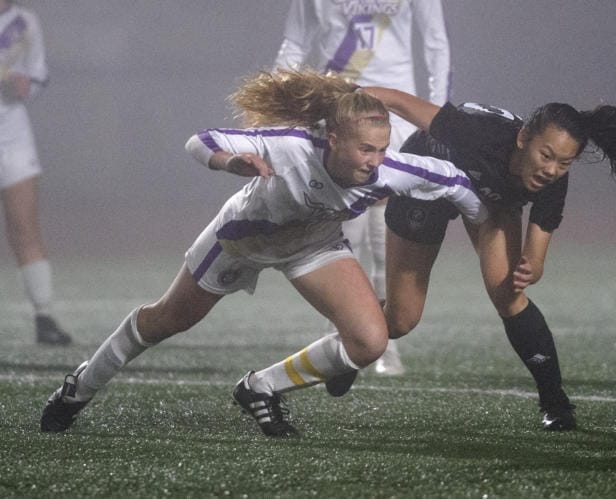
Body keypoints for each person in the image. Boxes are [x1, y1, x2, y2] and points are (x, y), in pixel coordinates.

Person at [39, 69, 487, 436]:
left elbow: (457, 183)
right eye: (365, 149)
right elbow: (202, 140)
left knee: (370, 342)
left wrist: (486, 237)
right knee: (163, 321)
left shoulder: (391, 171)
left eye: (382, 149)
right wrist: (231, 163)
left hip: (314, 247)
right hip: (241, 241)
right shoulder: (290, 146)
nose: (375, 160)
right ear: (332, 139)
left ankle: (260, 388)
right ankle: (79, 387)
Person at [325, 87, 616, 431]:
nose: (552, 169)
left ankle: (554, 402)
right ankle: (352, 344)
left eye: (564, 163)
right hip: (427, 184)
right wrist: (334, 99)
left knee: (509, 294)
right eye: (546, 155)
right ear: (523, 139)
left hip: (490, 199)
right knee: (401, 321)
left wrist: (529, 269)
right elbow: (397, 100)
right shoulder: (475, 133)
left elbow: (534, 260)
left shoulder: (552, 180)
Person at [273, 0, 452, 375]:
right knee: (340, 212)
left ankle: (384, 345)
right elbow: (294, 44)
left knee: (385, 220)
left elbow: (436, 42)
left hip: (396, 108)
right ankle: (340, 332)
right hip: (337, 104)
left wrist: (437, 113)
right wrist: (278, 106)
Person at [1, 0, 71, 345]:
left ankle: (44, 316)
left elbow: (39, 74)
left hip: (12, 135)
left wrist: (25, 85)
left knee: (24, 228)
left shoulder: (25, 22)